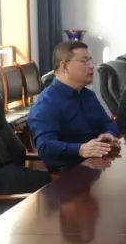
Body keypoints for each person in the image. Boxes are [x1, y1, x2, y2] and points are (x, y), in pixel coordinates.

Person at [28, 41, 120, 171]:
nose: (92, 66)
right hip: (69, 172)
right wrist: (80, 149)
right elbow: (45, 146)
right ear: (65, 66)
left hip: (98, 164)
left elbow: (107, 122)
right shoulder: (46, 104)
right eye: (84, 61)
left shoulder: (88, 95)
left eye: (91, 60)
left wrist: (109, 133)